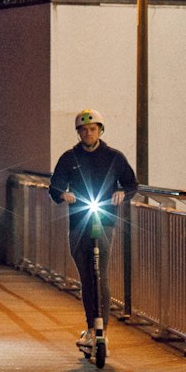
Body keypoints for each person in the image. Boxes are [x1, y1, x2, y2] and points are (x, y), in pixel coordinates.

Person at [49, 108, 137, 357]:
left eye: (92, 129)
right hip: (79, 220)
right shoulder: (69, 158)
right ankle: (90, 327)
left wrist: (123, 193)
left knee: (101, 274)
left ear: (100, 130)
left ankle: (102, 331)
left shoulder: (114, 157)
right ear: (78, 133)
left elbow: (132, 184)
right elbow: (54, 187)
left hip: (104, 219)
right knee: (87, 275)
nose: (88, 133)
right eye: (84, 130)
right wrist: (63, 194)